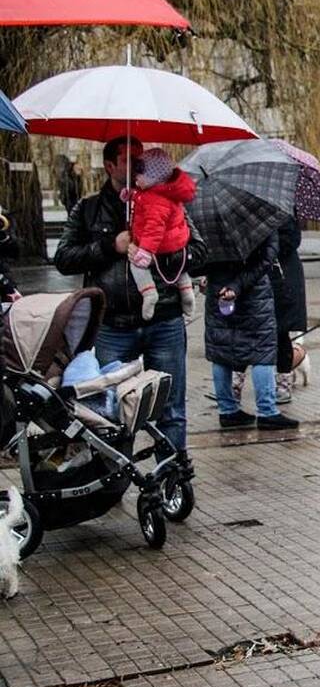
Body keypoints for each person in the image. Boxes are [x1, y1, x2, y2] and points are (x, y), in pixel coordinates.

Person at [55, 136, 205, 473]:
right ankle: (111, 476)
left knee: (171, 406)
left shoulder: (167, 200)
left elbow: (199, 250)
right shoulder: (89, 208)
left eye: (141, 159)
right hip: (112, 325)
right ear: (109, 165)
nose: (137, 165)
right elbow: (64, 258)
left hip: (164, 319)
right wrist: (112, 244)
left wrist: (166, 251)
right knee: (108, 407)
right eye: (128, 160)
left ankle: (172, 476)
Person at [204, 232, 299, 430]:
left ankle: (227, 409)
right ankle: (267, 411)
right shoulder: (259, 216)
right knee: (262, 352)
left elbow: (198, 258)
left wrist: (214, 275)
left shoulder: (204, 214)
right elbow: (266, 258)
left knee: (221, 350)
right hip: (254, 294)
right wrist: (237, 285)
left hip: (218, 290)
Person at [120, 148, 197, 321]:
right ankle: (186, 291)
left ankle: (149, 293)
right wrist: (130, 195)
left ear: (153, 177)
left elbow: (153, 229)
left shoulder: (156, 201)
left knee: (137, 264)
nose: (135, 177)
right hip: (176, 243)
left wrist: (145, 252)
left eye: (139, 174)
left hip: (161, 244)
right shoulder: (162, 192)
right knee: (179, 269)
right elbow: (142, 198)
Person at [269, 217, 308, 404]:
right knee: (248, 334)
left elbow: (292, 239)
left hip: (283, 278)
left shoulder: (283, 207)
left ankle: (283, 384)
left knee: (281, 332)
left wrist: (268, 243)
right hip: (264, 274)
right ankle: (233, 387)